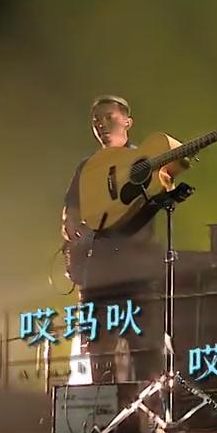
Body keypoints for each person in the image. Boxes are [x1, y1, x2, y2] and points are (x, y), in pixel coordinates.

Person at [61, 95, 163, 385]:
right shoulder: (87, 167)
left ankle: (150, 409)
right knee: (99, 355)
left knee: (146, 355)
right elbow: (70, 210)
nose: (102, 125)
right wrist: (71, 227)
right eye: (96, 120)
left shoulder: (142, 162)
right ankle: (104, 408)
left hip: (136, 273)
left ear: (127, 122)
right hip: (97, 276)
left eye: (109, 117)